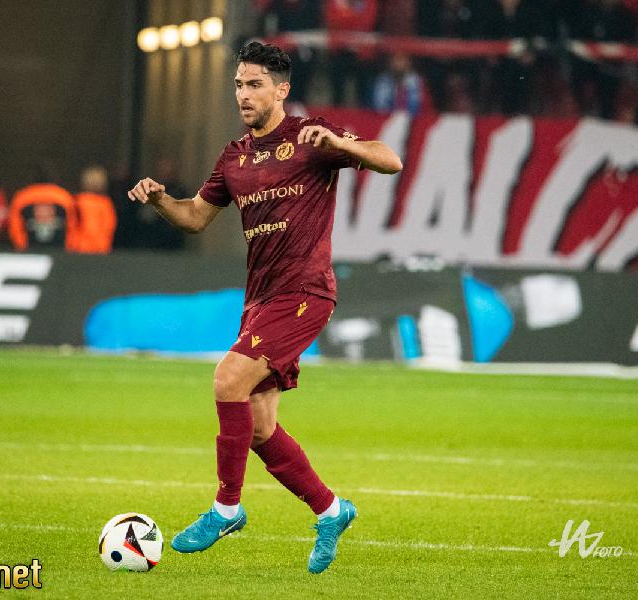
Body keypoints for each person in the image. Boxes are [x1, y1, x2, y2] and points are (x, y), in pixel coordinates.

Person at [127, 41, 402, 574]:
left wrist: (342, 143)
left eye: (255, 85)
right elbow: (194, 218)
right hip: (259, 300)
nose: (244, 94)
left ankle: (226, 509)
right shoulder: (233, 158)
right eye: (239, 85)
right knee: (257, 426)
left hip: (305, 292)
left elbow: (390, 160)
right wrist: (160, 199)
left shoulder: (310, 136)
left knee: (227, 379)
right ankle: (331, 510)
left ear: (281, 90)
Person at [71, 165, 117, 254]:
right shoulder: (105, 204)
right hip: (100, 249)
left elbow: (71, 225)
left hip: (78, 249)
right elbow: (109, 226)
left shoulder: (75, 201)